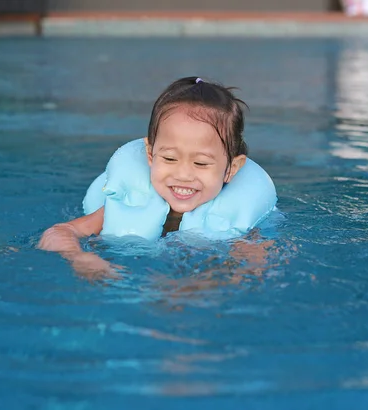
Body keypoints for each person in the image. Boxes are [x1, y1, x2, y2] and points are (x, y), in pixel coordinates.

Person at [38, 76, 251, 277]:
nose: (183, 174)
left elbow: (254, 269)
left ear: (232, 168)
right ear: (150, 155)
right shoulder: (129, 204)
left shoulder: (238, 221)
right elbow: (58, 232)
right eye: (169, 159)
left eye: (200, 163)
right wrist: (79, 257)